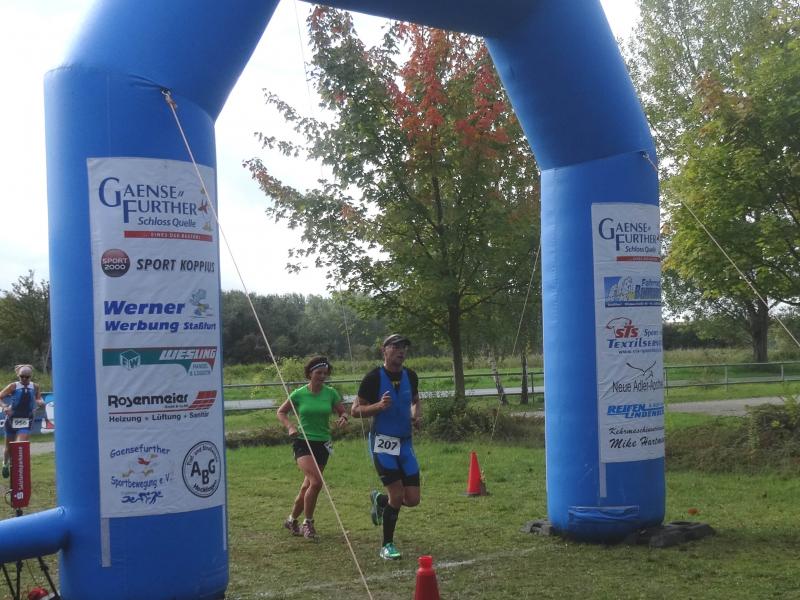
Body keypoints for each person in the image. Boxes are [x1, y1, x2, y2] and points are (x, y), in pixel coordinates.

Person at [351, 334, 422, 560]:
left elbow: (415, 401)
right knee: (397, 494)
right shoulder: (373, 377)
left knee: (413, 499)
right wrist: (379, 406)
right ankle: (387, 545)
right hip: (383, 444)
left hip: (405, 444)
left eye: (404, 348)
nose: (401, 351)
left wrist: (416, 416)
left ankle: (380, 500)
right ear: (384, 350)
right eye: (396, 346)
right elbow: (355, 411)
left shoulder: (411, 375)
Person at [276, 356, 347, 540]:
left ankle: (291, 520)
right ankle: (308, 523)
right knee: (316, 483)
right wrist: (290, 427)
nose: (322, 376)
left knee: (307, 486)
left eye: (325, 373)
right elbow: (281, 412)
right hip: (303, 442)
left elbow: (342, 411)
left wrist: (343, 417)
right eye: (318, 373)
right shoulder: (299, 394)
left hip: (323, 444)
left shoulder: (331, 393)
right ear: (310, 373)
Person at [1, 364, 45, 478]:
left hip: (26, 419)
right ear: (18, 375)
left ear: (31, 376)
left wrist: (40, 402)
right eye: (22, 376)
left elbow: (38, 398)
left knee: (19, 445)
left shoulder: (35, 386)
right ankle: (5, 464)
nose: (24, 379)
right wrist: (4, 407)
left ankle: (17, 470)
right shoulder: (13, 386)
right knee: (8, 447)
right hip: (11, 419)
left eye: (27, 377)